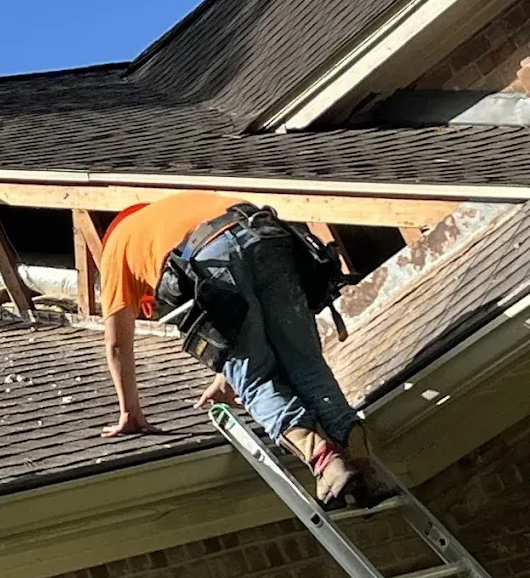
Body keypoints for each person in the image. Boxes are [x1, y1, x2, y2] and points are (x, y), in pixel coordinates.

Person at [96, 191, 391, 508]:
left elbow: (116, 345)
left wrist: (130, 412)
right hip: (264, 233)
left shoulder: (116, 248)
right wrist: (227, 374)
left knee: (256, 381)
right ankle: (367, 468)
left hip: (210, 256)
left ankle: (327, 465)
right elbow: (251, 307)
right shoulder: (170, 211)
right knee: (307, 365)